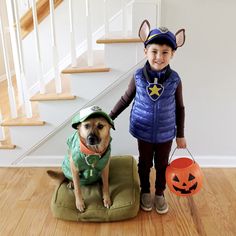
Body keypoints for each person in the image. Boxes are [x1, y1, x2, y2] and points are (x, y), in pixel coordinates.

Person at [109, 20, 187, 214]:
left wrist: (181, 134)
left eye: (165, 52)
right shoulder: (138, 76)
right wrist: (109, 117)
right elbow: (126, 99)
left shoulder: (175, 79)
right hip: (143, 130)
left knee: (162, 164)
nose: (159, 57)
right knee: (144, 162)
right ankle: (145, 190)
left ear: (173, 54)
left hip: (166, 133)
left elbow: (180, 107)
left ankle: (159, 192)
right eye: (154, 51)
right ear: (146, 51)